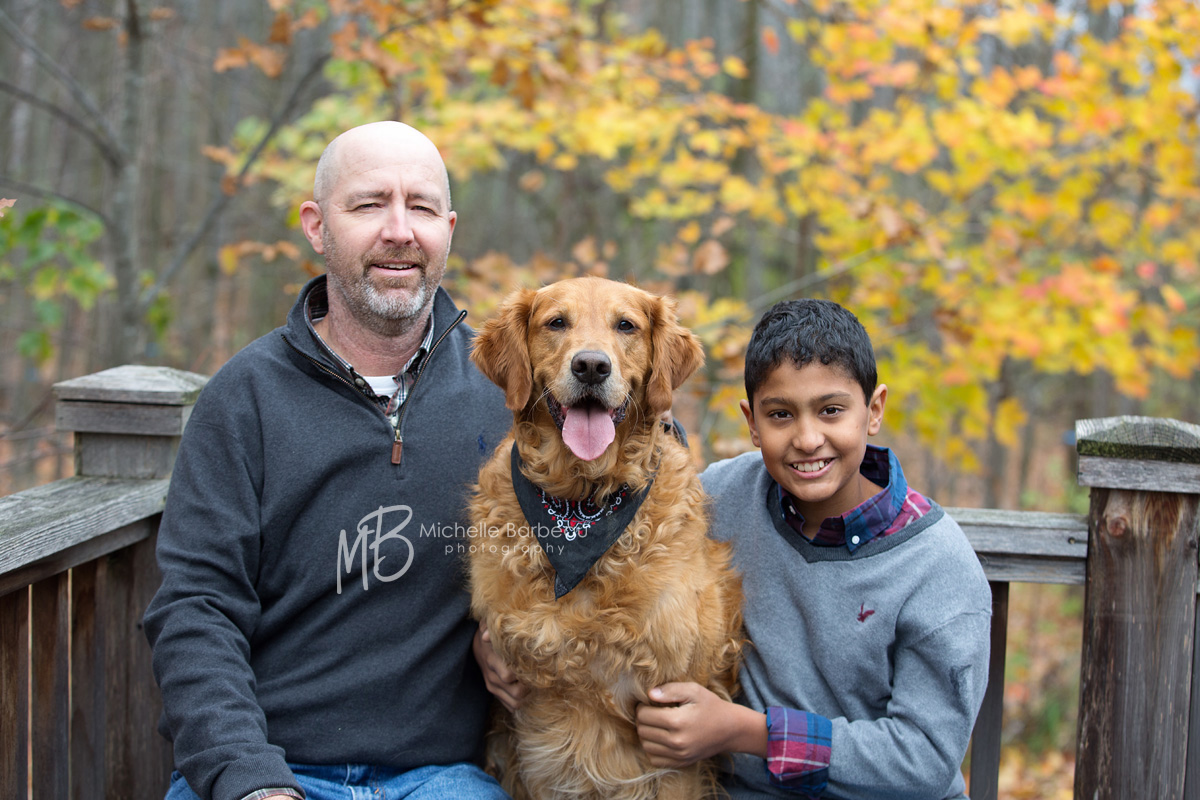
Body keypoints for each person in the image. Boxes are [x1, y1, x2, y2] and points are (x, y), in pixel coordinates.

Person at [143, 121, 514, 800]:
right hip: (269, 768)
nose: (400, 230)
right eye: (370, 204)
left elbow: (638, 443)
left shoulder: (508, 388)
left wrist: (522, 631)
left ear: (449, 230)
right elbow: (196, 609)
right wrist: (249, 779)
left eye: (422, 207)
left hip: (440, 778)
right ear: (316, 226)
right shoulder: (245, 397)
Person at [634, 299, 993, 799]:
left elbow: (925, 759)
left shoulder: (936, 566)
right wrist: (496, 647)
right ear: (752, 423)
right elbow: (621, 539)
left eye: (831, 410)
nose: (807, 438)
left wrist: (746, 732)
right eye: (781, 414)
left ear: (873, 410)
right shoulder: (724, 495)